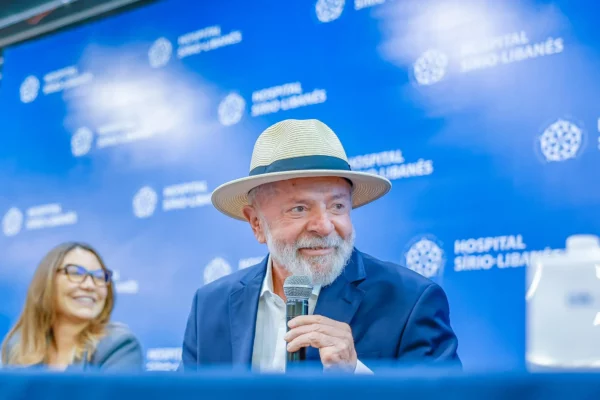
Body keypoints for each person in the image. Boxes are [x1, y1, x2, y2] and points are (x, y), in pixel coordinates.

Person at [180, 119, 460, 373]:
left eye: (337, 206)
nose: (324, 226)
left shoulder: (410, 301)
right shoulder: (210, 305)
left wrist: (356, 376)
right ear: (256, 223)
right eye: (299, 209)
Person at [1, 242, 143, 372]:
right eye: (76, 273)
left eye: (99, 277)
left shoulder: (118, 346)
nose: (89, 285)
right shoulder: (17, 347)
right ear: (47, 281)